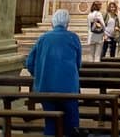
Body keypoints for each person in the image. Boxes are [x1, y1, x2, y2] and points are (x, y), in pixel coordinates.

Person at [25, 9, 81, 137]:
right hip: (69, 89)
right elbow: (78, 63)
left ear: (52, 22)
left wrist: (39, 74)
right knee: (72, 123)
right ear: (67, 23)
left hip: (46, 87)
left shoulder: (43, 38)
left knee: (50, 122)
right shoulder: (73, 38)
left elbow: (29, 62)